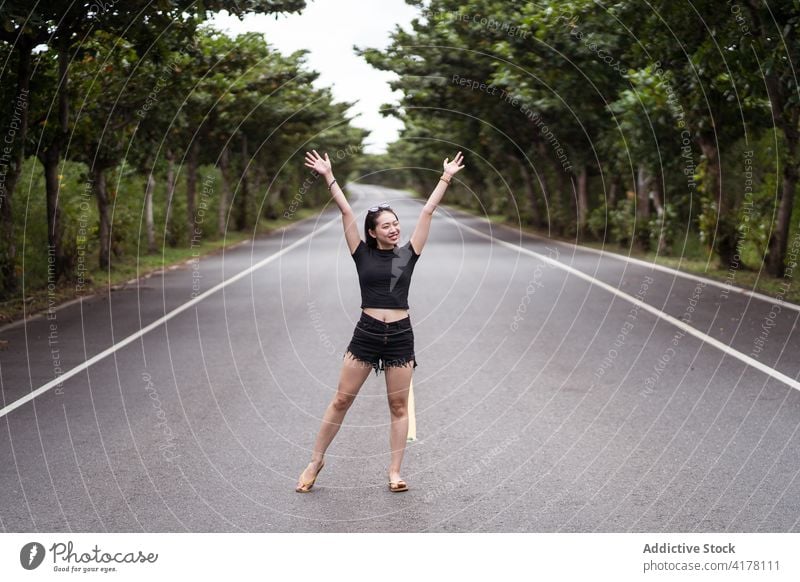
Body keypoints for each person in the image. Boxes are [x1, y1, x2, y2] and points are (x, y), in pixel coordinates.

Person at [295, 149, 465, 493]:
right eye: (386, 225)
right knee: (342, 400)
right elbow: (345, 210)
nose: (394, 229)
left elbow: (428, 210)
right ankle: (315, 460)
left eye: (396, 223)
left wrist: (445, 176)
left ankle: (395, 472)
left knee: (398, 406)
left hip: (401, 335)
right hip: (367, 334)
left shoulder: (409, 254)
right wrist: (328, 175)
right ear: (373, 233)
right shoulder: (361, 253)